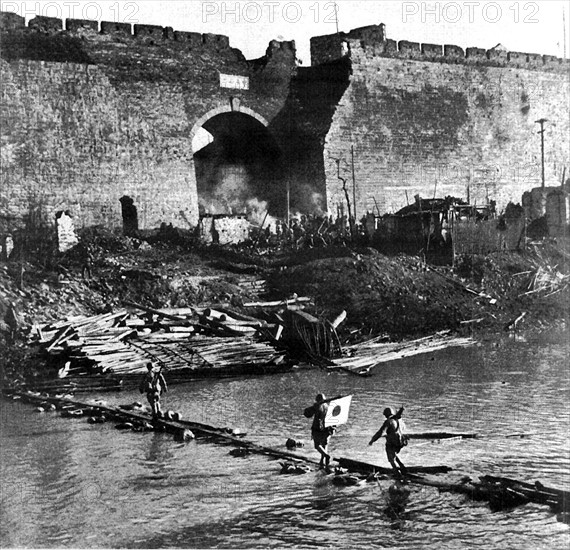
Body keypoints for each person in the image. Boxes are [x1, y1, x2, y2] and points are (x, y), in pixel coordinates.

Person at [369, 406, 408, 476]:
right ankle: (403, 467)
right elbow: (402, 428)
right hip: (400, 442)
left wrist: (372, 440)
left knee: (391, 458)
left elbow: (380, 432)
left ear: (386, 414)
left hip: (392, 442)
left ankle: (397, 473)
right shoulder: (398, 419)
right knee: (393, 454)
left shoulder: (388, 421)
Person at [304, 393, 335, 470]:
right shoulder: (327, 407)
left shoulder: (318, 406)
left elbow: (307, 413)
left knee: (317, 445)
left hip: (318, 428)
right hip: (327, 428)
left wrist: (314, 407)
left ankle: (326, 455)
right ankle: (323, 461)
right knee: (324, 444)